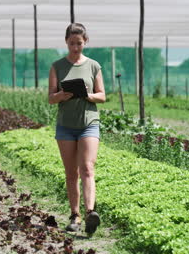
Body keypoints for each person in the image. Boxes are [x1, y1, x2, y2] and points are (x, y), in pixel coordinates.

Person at [48, 23, 106, 235]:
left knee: (87, 168)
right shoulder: (57, 66)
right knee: (71, 173)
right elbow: (50, 97)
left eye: (79, 43)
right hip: (65, 126)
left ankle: (90, 212)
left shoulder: (93, 66)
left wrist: (88, 95)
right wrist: (61, 96)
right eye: (72, 43)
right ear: (66, 42)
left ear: (85, 42)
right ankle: (75, 216)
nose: (75, 47)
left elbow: (102, 95)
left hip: (88, 123)